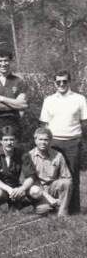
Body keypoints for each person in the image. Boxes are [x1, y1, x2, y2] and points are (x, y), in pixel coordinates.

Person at [39, 69, 87, 214]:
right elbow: (44, 124)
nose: (61, 84)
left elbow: (84, 122)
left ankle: (74, 209)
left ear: (69, 81)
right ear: (54, 83)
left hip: (73, 142)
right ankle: (53, 206)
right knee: (52, 176)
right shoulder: (49, 100)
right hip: (54, 143)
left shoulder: (79, 99)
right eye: (58, 81)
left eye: (64, 81)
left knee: (73, 176)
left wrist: (81, 141)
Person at [0, 126, 35, 209]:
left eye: (11, 139)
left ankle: (19, 203)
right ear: (1, 141)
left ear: (16, 141)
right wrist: (8, 189)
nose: (9, 143)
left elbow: (31, 176)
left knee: (35, 191)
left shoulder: (23, 154)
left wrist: (22, 188)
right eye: (6, 140)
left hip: (15, 187)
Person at [24, 127, 73, 216]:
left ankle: (62, 213)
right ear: (35, 140)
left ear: (50, 141)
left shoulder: (58, 155)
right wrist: (47, 197)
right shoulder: (29, 156)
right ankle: (44, 205)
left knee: (66, 183)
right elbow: (27, 181)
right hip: (36, 190)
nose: (43, 142)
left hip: (51, 187)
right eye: (40, 139)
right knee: (44, 210)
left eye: (46, 140)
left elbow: (67, 177)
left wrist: (59, 192)